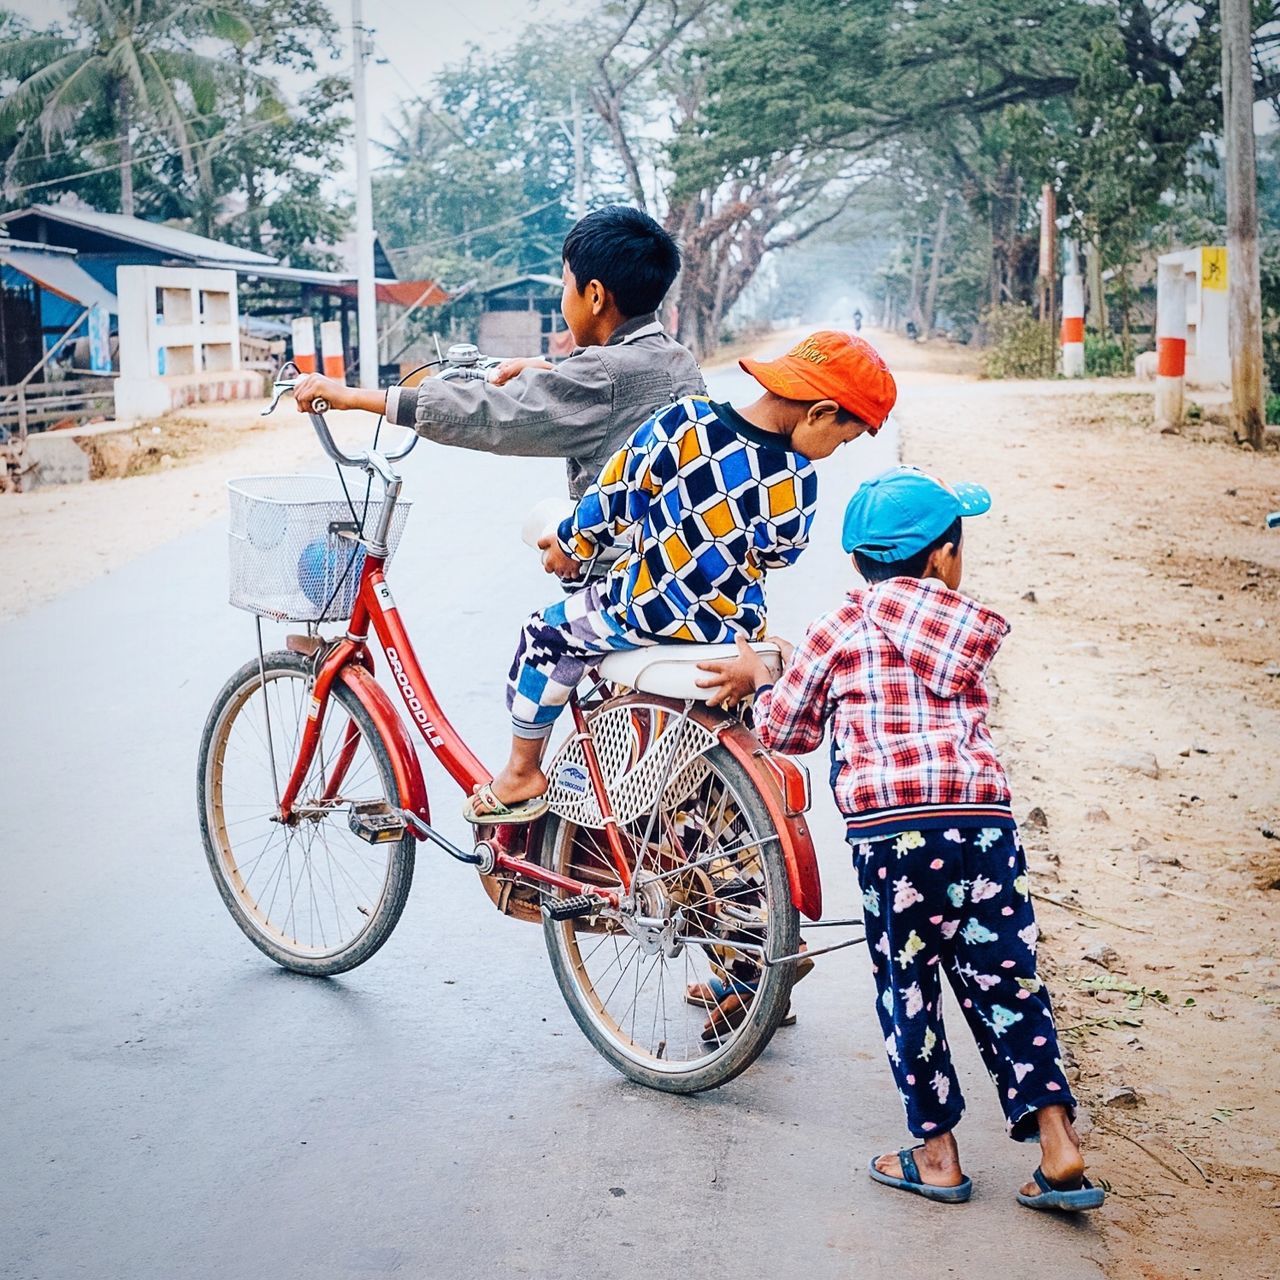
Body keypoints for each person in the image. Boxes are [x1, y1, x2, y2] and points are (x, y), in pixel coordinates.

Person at [696, 466, 1103, 1213]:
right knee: (1007, 979)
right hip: (983, 823)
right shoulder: (965, 628)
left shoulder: (839, 626)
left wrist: (766, 674)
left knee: (908, 990)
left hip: (894, 838)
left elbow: (785, 729)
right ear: (945, 556)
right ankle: (1058, 1145)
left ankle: (939, 1157)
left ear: (856, 562)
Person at [462, 331, 898, 823]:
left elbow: (616, 496)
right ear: (818, 413)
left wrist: (571, 543)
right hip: (729, 631)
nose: (833, 450)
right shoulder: (797, 475)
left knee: (544, 634)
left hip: (647, 610)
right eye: (844, 440)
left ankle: (522, 771)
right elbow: (780, 554)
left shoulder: (686, 422)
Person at [291, 205, 705, 499]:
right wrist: (549, 370)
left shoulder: (604, 375)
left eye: (565, 285)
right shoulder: (676, 359)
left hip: (623, 573)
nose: (562, 298)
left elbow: (490, 412)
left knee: (538, 625)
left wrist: (351, 397)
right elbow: (613, 396)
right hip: (676, 559)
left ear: (594, 295)